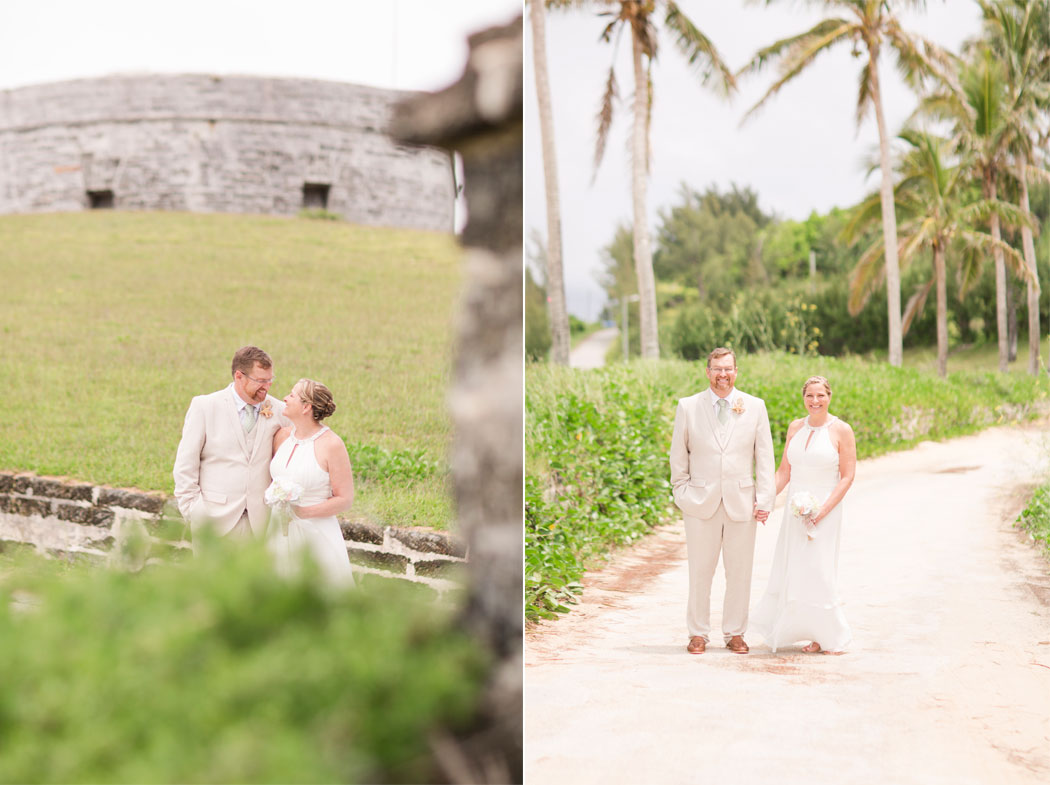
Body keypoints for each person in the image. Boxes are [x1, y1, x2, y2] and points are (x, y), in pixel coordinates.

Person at [669, 347, 776, 655]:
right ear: (708, 372)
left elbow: (764, 457)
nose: (723, 374)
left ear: (736, 371)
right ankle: (698, 633)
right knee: (700, 571)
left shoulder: (755, 406)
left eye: (728, 368)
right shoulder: (688, 407)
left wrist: (765, 499)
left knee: (740, 572)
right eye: (717, 369)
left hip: (742, 502)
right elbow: (679, 455)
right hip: (700, 502)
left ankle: (735, 633)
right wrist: (682, 493)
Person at [750, 375, 856, 655]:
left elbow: (847, 477)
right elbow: (785, 472)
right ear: (803, 398)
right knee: (794, 567)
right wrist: (765, 500)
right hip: (794, 510)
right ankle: (797, 629)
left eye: (820, 395)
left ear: (829, 396)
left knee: (819, 569)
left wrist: (822, 511)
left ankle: (827, 635)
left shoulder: (842, 430)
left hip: (826, 509)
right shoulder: (795, 427)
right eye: (810, 395)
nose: (815, 401)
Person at [173, 346, 288, 548]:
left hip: (260, 525)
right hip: (213, 521)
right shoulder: (205, 406)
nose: (267, 387)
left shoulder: (280, 411)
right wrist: (195, 512)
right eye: (260, 381)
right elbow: (185, 464)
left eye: (270, 380)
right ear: (239, 376)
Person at [266, 378, 356, 587]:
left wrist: (301, 513)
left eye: (292, 395)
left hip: (315, 534)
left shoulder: (332, 444)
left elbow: (345, 499)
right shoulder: (282, 436)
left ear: (306, 407)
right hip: (277, 531)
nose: (285, 399)